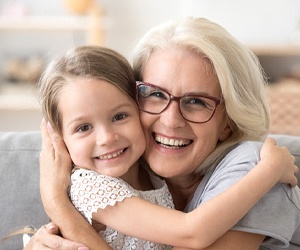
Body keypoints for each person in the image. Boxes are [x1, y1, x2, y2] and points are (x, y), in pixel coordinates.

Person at [26, 17, 300, 250]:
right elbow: (190, 231)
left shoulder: (249, 166)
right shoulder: (108, 177)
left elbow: (191, 231)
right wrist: (54, 208)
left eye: (196, 101)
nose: (170, 121)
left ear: (229, 122)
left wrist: (58, 205)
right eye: (156, 94)